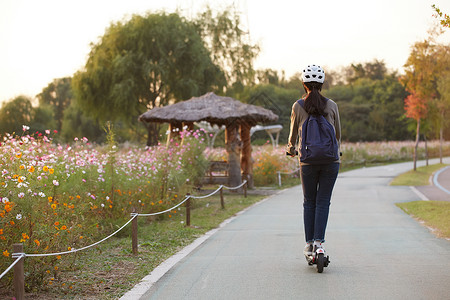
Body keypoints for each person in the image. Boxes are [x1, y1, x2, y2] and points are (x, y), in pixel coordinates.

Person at [286, 64, 341, 258]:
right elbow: (338, 135)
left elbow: (293, 134)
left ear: (304, 84)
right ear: (322, 84)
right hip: (330, 161)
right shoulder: (332, 105)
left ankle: (309, 244)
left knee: (309, 201)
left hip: (307, 161)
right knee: (323, 201)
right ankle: (319, 244)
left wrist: (291, 149)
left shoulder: (298, 106)